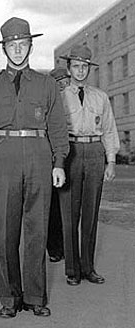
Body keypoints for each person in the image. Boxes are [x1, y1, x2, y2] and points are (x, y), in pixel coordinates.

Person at [0, 17, 69, 319]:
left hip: (40, 156)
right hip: (3, 159)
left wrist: (59, 162)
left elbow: (57, 126)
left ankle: (35, 296)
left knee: (37, 230)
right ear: (4, 48)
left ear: (31, 45)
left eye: (23, 43)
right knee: (5, 232)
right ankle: (9, 298)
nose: (17, 50)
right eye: (11, 45)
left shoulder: (46, 84)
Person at [58, 44, 120, 286]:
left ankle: (88, 267)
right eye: (76, 66)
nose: (81, 71)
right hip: (70, 150)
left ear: (89, 69)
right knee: (69, 213)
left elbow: (109, 129)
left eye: (84, 67)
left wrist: (111, 160)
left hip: (95, 151)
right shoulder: (60, 95)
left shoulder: (100, 96)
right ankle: (72, 270)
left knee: (91, 212)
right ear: (69, 68)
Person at [46, 67, 70, 263]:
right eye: (59, 81)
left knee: (70, 205)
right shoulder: (49, 102)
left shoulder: (76, 98)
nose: (63, 84)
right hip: (54, 155)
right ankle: (54, 248)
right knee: (53, 205)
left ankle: (69, 248)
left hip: (73, 153)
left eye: (65, 80)